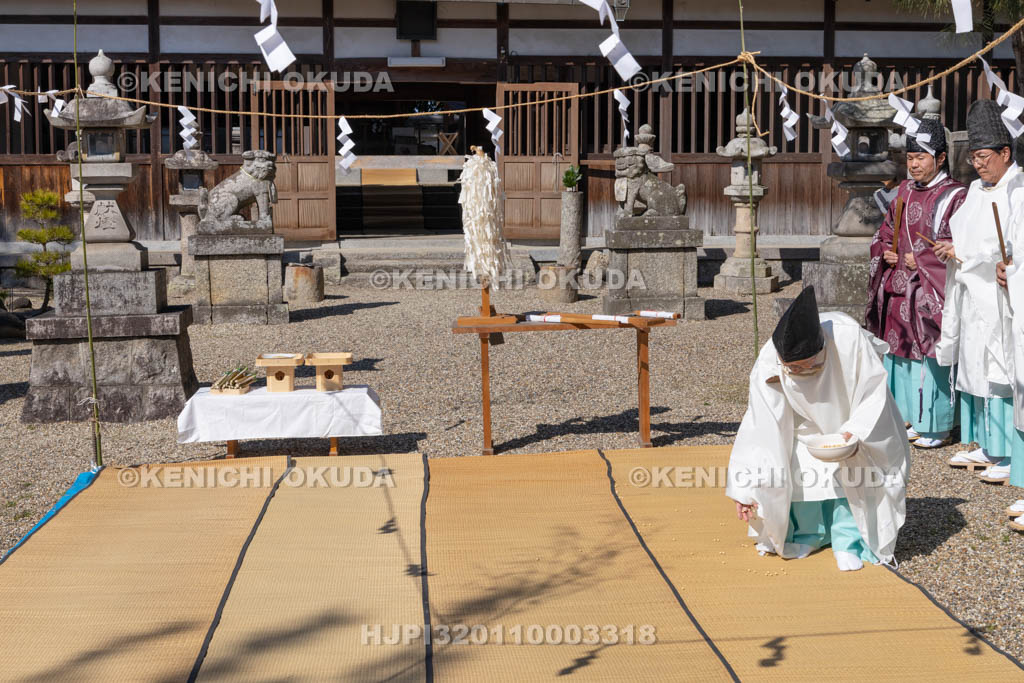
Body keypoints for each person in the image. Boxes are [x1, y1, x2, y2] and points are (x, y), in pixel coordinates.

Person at [726, 287, 910, 571]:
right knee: (800, 475)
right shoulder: (769, 361)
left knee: (852, 476)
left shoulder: (847, 338)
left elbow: (873, 390)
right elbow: (760, 427)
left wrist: (856, 430)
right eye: (792, 369)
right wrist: (747, 487)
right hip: (800, 432)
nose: (797, 373)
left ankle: (848, 540)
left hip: (847, 424)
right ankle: (808, 534)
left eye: (804, 367)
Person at [934, 99, 1021, 483]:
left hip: (1002, 298)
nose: (978, 164)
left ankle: (1007, 452)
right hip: (973, 292)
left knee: (1002, 370)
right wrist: (955, 250)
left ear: (1005, 152)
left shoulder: (1017, 191)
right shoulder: (974, 190)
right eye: (973, 157)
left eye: (984, 156)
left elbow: (1007, 245)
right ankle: (989, 444)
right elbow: (966, 232)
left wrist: (969, 253)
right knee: (977, 371)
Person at [867, 118, 966, 449]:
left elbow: (961, 244)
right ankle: (908, 416)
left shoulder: (955, 196)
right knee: (899, 354)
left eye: (921, 157)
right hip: (899, 287)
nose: (913, 164)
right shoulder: (904, 191)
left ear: (940, 159)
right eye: (910, 158)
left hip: (930, 293)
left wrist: (922, 258)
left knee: (930, 356)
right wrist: (886, 251)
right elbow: (883, 233)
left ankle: (937, 425)